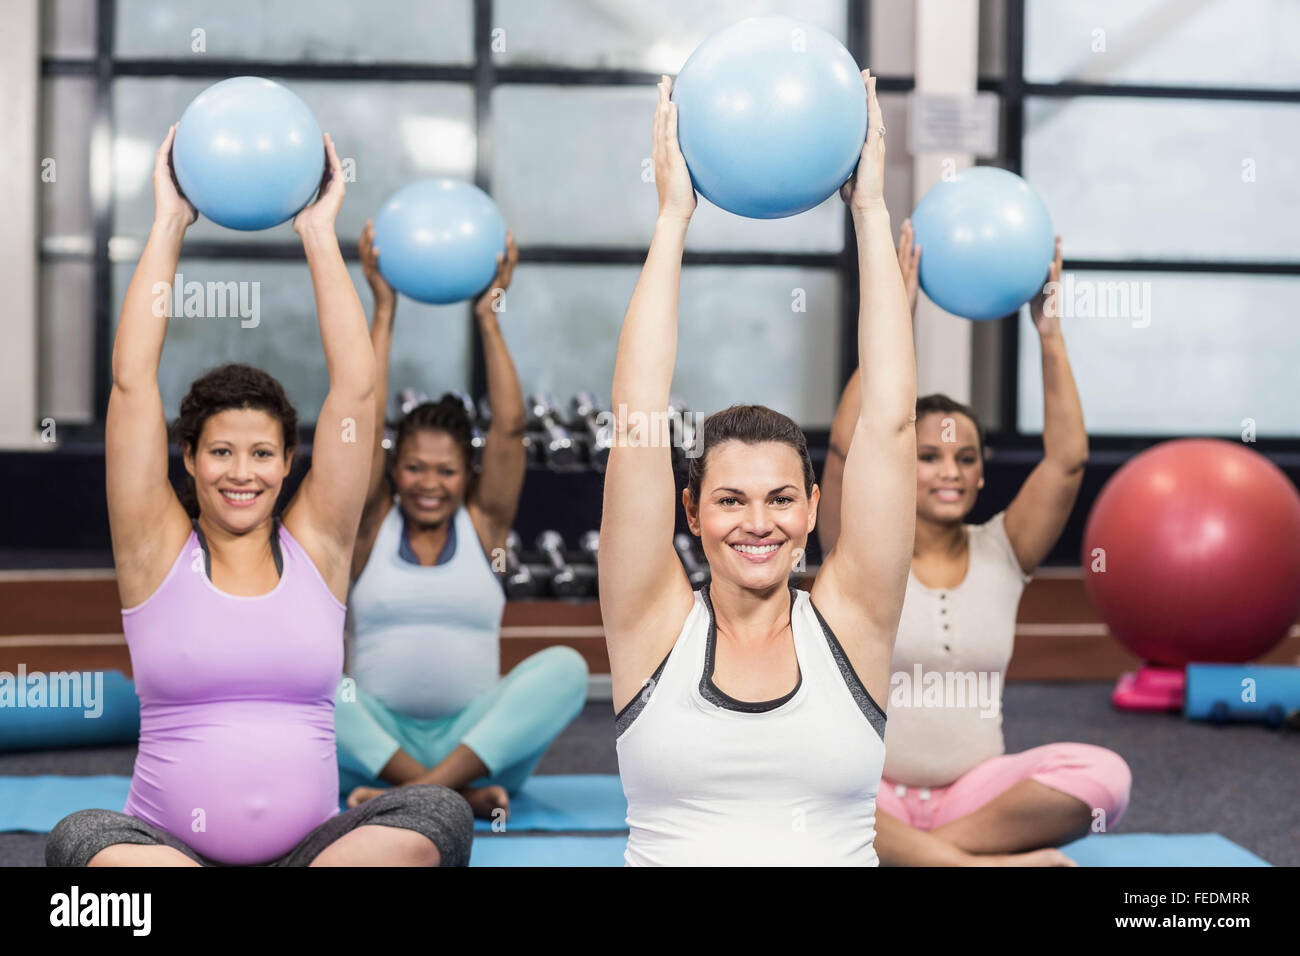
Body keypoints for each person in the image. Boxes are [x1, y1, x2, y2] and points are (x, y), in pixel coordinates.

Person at [45, 127, 472, 867]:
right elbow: (131, 384)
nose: (241, 473)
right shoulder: (154, 548)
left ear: (286, 463)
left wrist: (315, 230)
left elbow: (357, 388)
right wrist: (170, 223)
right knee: (80, 843)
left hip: (312, 853)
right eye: (220, 452)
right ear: (188, 458)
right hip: (168, 850)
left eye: (262, 454)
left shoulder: (320, 543)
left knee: (438, 815)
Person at [603, 72, 915, 865]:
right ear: (692, 510)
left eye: (781, 499)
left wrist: (870, 211)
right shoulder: (652, 625)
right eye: (731, 500)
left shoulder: (853, 622)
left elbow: (888, 421)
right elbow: (638, 420)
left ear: (813, 508)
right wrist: (674, 217)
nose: (758, 523)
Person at [819, 234, 1132, 866]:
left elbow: (1068, 460)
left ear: (983, 475)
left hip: (975, 796)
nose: (950, 472)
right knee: (786, 782)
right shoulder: (860, 551)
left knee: (1106, 776)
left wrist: (1049, 334)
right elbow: (846, 449)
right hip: (866, 795)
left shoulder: (1006, 549)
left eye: (965, 459)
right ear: (900, 466)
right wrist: (895, 316)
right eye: (928, 457)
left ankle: (917, 858)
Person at [335, 221, 587, 822]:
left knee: (566, 669)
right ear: (394, 471)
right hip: (374, 745)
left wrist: (489, 316)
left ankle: (420, 795)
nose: (429, 483)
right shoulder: (371, 527)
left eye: (446, 471)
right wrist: (384, 312)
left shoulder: (485, 525)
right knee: (307, 679)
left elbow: (507, 428)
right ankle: (448, 799)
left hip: (480, 747)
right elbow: (364, 418)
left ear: (467, 476)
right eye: (415, 468)